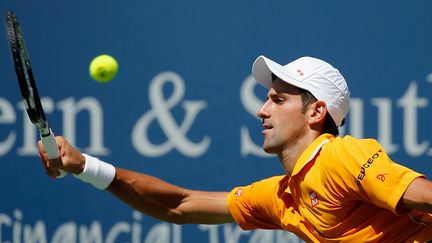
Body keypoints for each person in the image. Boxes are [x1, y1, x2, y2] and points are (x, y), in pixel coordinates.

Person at [38, 55, 432, 242]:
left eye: (277, 100)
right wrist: (84, 165)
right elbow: (180, 205)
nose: (261, 110)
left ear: (316, 113)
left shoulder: (340, 157)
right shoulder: (283, 196)